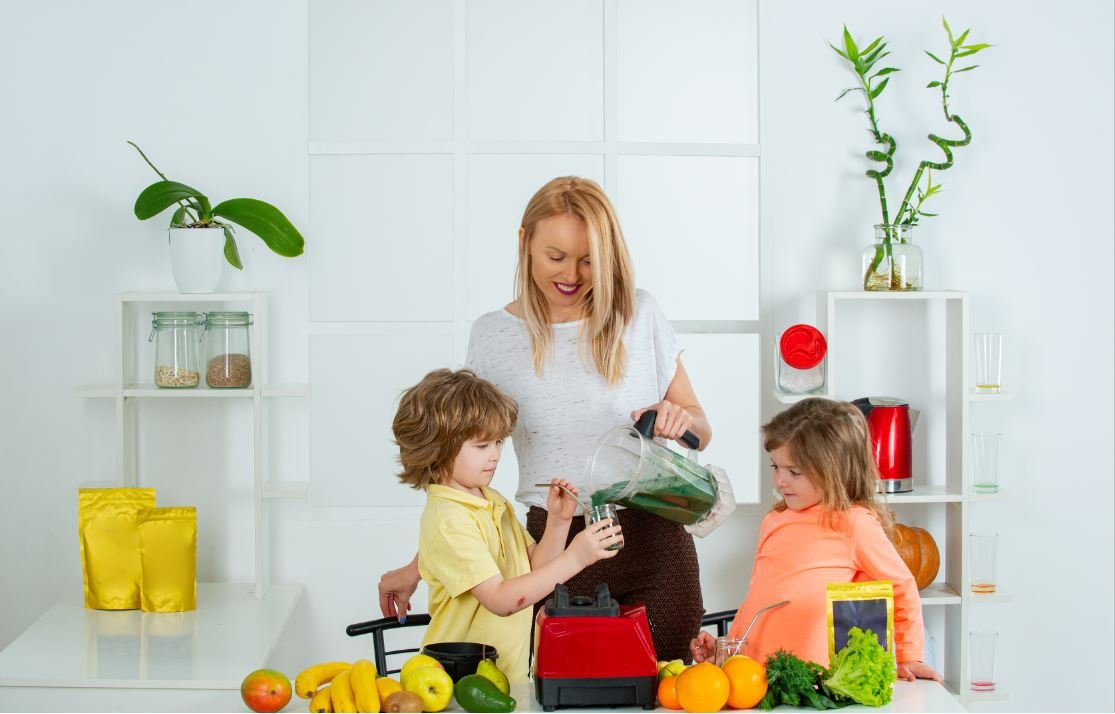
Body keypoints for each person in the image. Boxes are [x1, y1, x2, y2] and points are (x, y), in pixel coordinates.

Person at [379, 176, 712, 662]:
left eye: (588, 260)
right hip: (550, 545)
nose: (571, 275)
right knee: (561, 691)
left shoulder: (639, 315)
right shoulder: (493, 337)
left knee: (673, 687)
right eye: (556, 256)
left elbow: (701, 430)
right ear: (525, 242)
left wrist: (678, 418)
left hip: (654, 542)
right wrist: (420, 566)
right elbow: (458, 469)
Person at [689, 398, 942, 682]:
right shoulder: (774, 520)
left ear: (834, 470)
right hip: (759, 680)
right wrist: (726, 650)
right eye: (775, 466)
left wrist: (909, 657)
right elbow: (758, 601)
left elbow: (902, 587)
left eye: (794, 472)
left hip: (815, 683)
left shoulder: (853, 523)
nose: (780, 481)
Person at [393, 368, 621, 681]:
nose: (496, 455)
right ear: (438, 447)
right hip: (456, 682)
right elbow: (501, 600)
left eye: (499, 442)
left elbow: (533, 566)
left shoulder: (490, 500)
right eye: (482, 446)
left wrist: (558, 522)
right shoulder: (449, 521)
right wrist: (577, 558)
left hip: (504, 677)